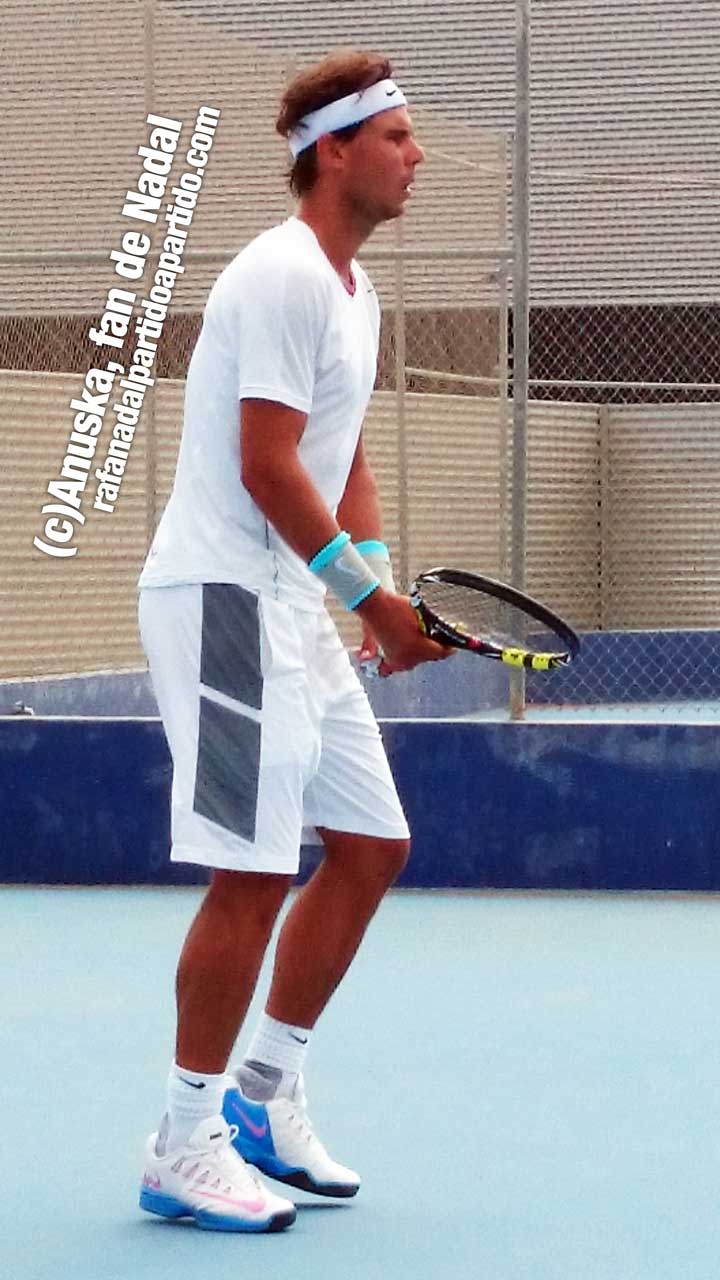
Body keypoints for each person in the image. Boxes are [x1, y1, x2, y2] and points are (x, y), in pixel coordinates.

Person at [137, 48, 450, 1234]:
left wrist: (371, 587)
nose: (417, 157)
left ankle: (262, 1093)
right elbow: (268, 467)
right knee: (254, 867)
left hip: (289, 600)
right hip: (222, 596)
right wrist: (371, 607)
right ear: (334, 150)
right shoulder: (279, 275)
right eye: (399, 136)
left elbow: (342, 456)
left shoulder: (353, 292)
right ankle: (183, 1137)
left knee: (371, 842)